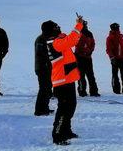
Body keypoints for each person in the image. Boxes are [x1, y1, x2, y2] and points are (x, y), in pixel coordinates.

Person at [46, 16, 84, 145]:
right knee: (64, 109)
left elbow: (73, 39)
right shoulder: (55, 42)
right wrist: (78, 25)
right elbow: (72, 39)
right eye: (56, 26)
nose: (59, 27)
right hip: (62, 82)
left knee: (71, 107)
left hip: (67, 80)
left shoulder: (58, 40)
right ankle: (57, 135)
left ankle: (66, 130)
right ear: (51, 30)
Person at [35, 21, 56, 116]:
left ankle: (45, 108)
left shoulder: (47, 38)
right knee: (44, 88)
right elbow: (41, 54)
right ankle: (39, 110)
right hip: (42, 68)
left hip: (48, 67)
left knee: (47, 88)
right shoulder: (41, 39)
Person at [106, 23, 123, 94]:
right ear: (112, 28)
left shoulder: (122, 36)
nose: (118, 28)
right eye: (116, 27)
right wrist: (112, 58)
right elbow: (109, 49)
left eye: (118, 27)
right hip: (115, 59)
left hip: (122, 58)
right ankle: (116, 89)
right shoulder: (110, 38)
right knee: (115, 74)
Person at [75, 21, 99, 97]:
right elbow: (78, 45)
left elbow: (92, 44)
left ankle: (88, 91)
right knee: (85, 75)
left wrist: (89, 52)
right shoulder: (81, 33)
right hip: (82, 57)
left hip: (84, 57)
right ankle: (87, 91)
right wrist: (88, 52)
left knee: (86, 75)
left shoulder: (84, 33)